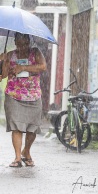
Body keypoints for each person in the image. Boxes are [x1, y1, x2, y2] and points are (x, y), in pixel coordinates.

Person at [1, 32, 46, 167]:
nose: (23, 46)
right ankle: (17, 157)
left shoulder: (36, 52)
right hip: (14, 95)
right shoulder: (10, 55)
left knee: (32, 128)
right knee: (17, 127)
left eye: (25, 43)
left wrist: (24, 67)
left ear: (29, 41)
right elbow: (2, 75)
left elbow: (43, 66)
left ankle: (26, 151)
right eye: (20, 44)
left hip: (33, 95)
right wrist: (2, 60)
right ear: (15, 42)